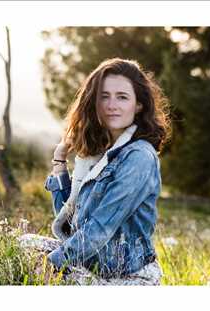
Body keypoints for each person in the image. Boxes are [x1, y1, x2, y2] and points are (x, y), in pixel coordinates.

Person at [42, 57, 172, 285]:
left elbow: (101, 228)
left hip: (125, 276)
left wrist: (50, 265)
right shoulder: (95, 154)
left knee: (39, 269)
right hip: (89, 264)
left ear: (139, 105)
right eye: (104, 96)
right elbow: (68, 223)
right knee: (21, 246)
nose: (112, 105)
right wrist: (60, 160)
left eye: (122, 97)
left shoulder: (139, 156)